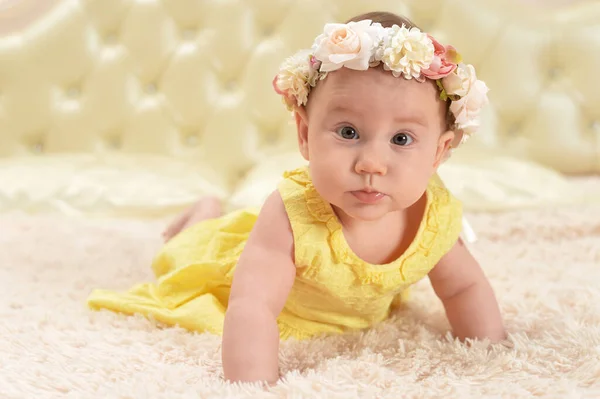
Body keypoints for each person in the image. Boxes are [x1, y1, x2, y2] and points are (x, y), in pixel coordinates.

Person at [88, 11, 506, 385]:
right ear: (305, 135)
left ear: (439, 152)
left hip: (339, 307)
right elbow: (252, 304)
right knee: (185, 253)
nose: (371, 164)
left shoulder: (433, 217)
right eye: (348, 132)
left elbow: (464, 287)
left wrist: (492, 353)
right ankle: (206, 213)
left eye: (401, 139)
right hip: (234, 274)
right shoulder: (290, 213)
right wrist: (253, 386)